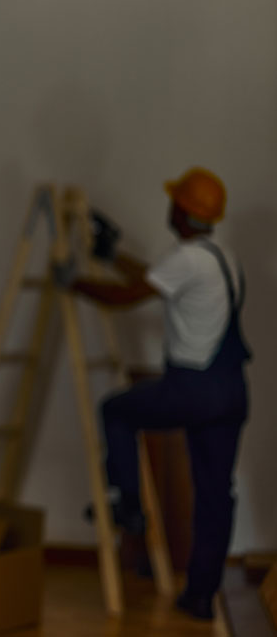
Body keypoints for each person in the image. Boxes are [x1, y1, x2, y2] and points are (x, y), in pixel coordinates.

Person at [69, 167, 250, 621]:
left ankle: (129, 507)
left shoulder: (187, 258)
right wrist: (113, 256)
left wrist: (73, 281)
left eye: (175, 202)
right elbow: (154, 278)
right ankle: (200, 596)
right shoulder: (222, 257)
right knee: (215, 495)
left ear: (184, 213)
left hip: (194, 388)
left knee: (116, 410)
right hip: (231, 391)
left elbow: (127, 295)